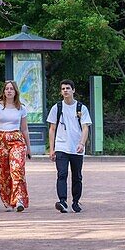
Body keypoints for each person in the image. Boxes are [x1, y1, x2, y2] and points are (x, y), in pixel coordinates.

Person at [0, 79, 30, 211]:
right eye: (7, 89)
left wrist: (28, 147)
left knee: (17, 169)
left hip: (17, 140)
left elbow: (25, 129)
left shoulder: (21, 108)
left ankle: (19, 199)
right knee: (4, 172)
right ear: (4, 91)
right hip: (1, 140)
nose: (9, 91)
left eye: (11, 89)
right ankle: (8, 200)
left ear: (16, 92)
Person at [46, 78, 92, 213]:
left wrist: (82, 143)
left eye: (68, 88)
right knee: (62, 174)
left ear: (73, 90)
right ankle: (62, 201)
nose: (65, 91)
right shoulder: (57, 108)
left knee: (77, 176)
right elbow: (52, 129)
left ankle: (76, 201)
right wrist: (52, 149)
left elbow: (85, 128)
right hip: (61, 147)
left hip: (76, 147)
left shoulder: (81, 108)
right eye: (63, 89)